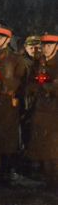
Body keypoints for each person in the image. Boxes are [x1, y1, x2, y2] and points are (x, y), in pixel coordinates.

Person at [0, 27, 27, 183]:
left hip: (7, 103)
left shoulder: (16, 58)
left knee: (8, 138)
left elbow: (20, 80)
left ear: (8, 40)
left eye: (1, 38)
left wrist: (4, 83)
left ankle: (7, 171)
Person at [25, 33, 58, 187]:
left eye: (50, 45)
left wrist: (49, 86)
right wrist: (34, 87)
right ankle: (48, 177)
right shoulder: (38, 64)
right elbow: (30, 83)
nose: (46, 48)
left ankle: (54, 177)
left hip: (54, 110)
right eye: (44, 45)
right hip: (40, 109)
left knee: (54, 144)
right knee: (43, 144)